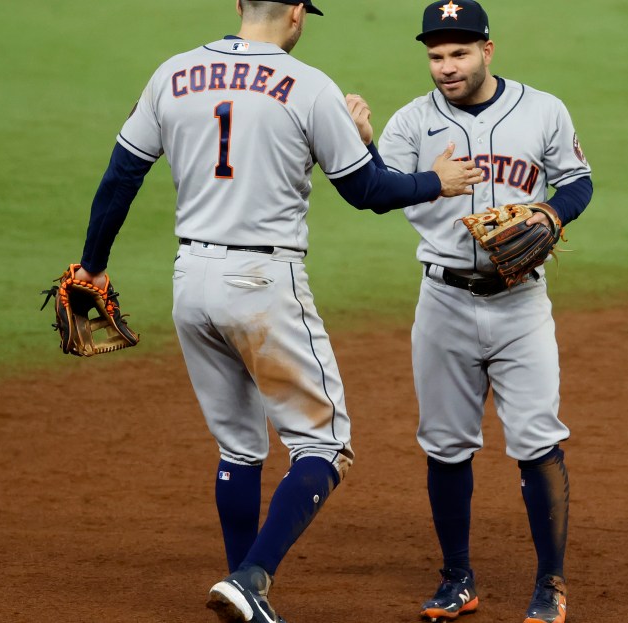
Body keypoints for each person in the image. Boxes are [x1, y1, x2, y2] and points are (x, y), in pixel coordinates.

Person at [68, 1, 483, 622]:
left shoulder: (173, 74)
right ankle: (252, 580)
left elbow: (120, 177)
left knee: (238, 447)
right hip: (262, 282)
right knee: (326, 443)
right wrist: (436, 181)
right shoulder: (308, 86)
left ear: (240, 5)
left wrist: (92, 264)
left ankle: (242, 592)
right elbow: (368, 191)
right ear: (295, 12)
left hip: (191, 281)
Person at [357, 1, 594, 622]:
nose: (446, 66)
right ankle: (457, 578)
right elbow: (377, 193)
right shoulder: (410, 123)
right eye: (436, 55)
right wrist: (364, 149)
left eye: (459, 53)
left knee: (538, 441)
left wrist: (549, 213)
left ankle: (551, 584)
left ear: (488, 50)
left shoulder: (543, 108)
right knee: (445, 445)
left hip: (521, 304)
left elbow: (578, 180)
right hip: (442, 301)